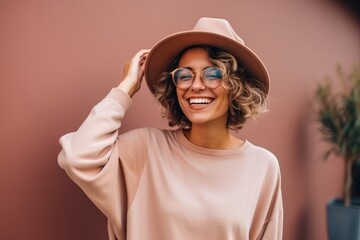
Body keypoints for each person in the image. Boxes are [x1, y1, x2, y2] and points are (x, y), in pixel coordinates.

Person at [58, 17, 283, 240]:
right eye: (184, 75)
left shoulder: (263, 166)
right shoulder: (145, 150)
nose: (195, 86)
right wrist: (126, 87)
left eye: (213, 73)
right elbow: (77, 157)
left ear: (236, 86)